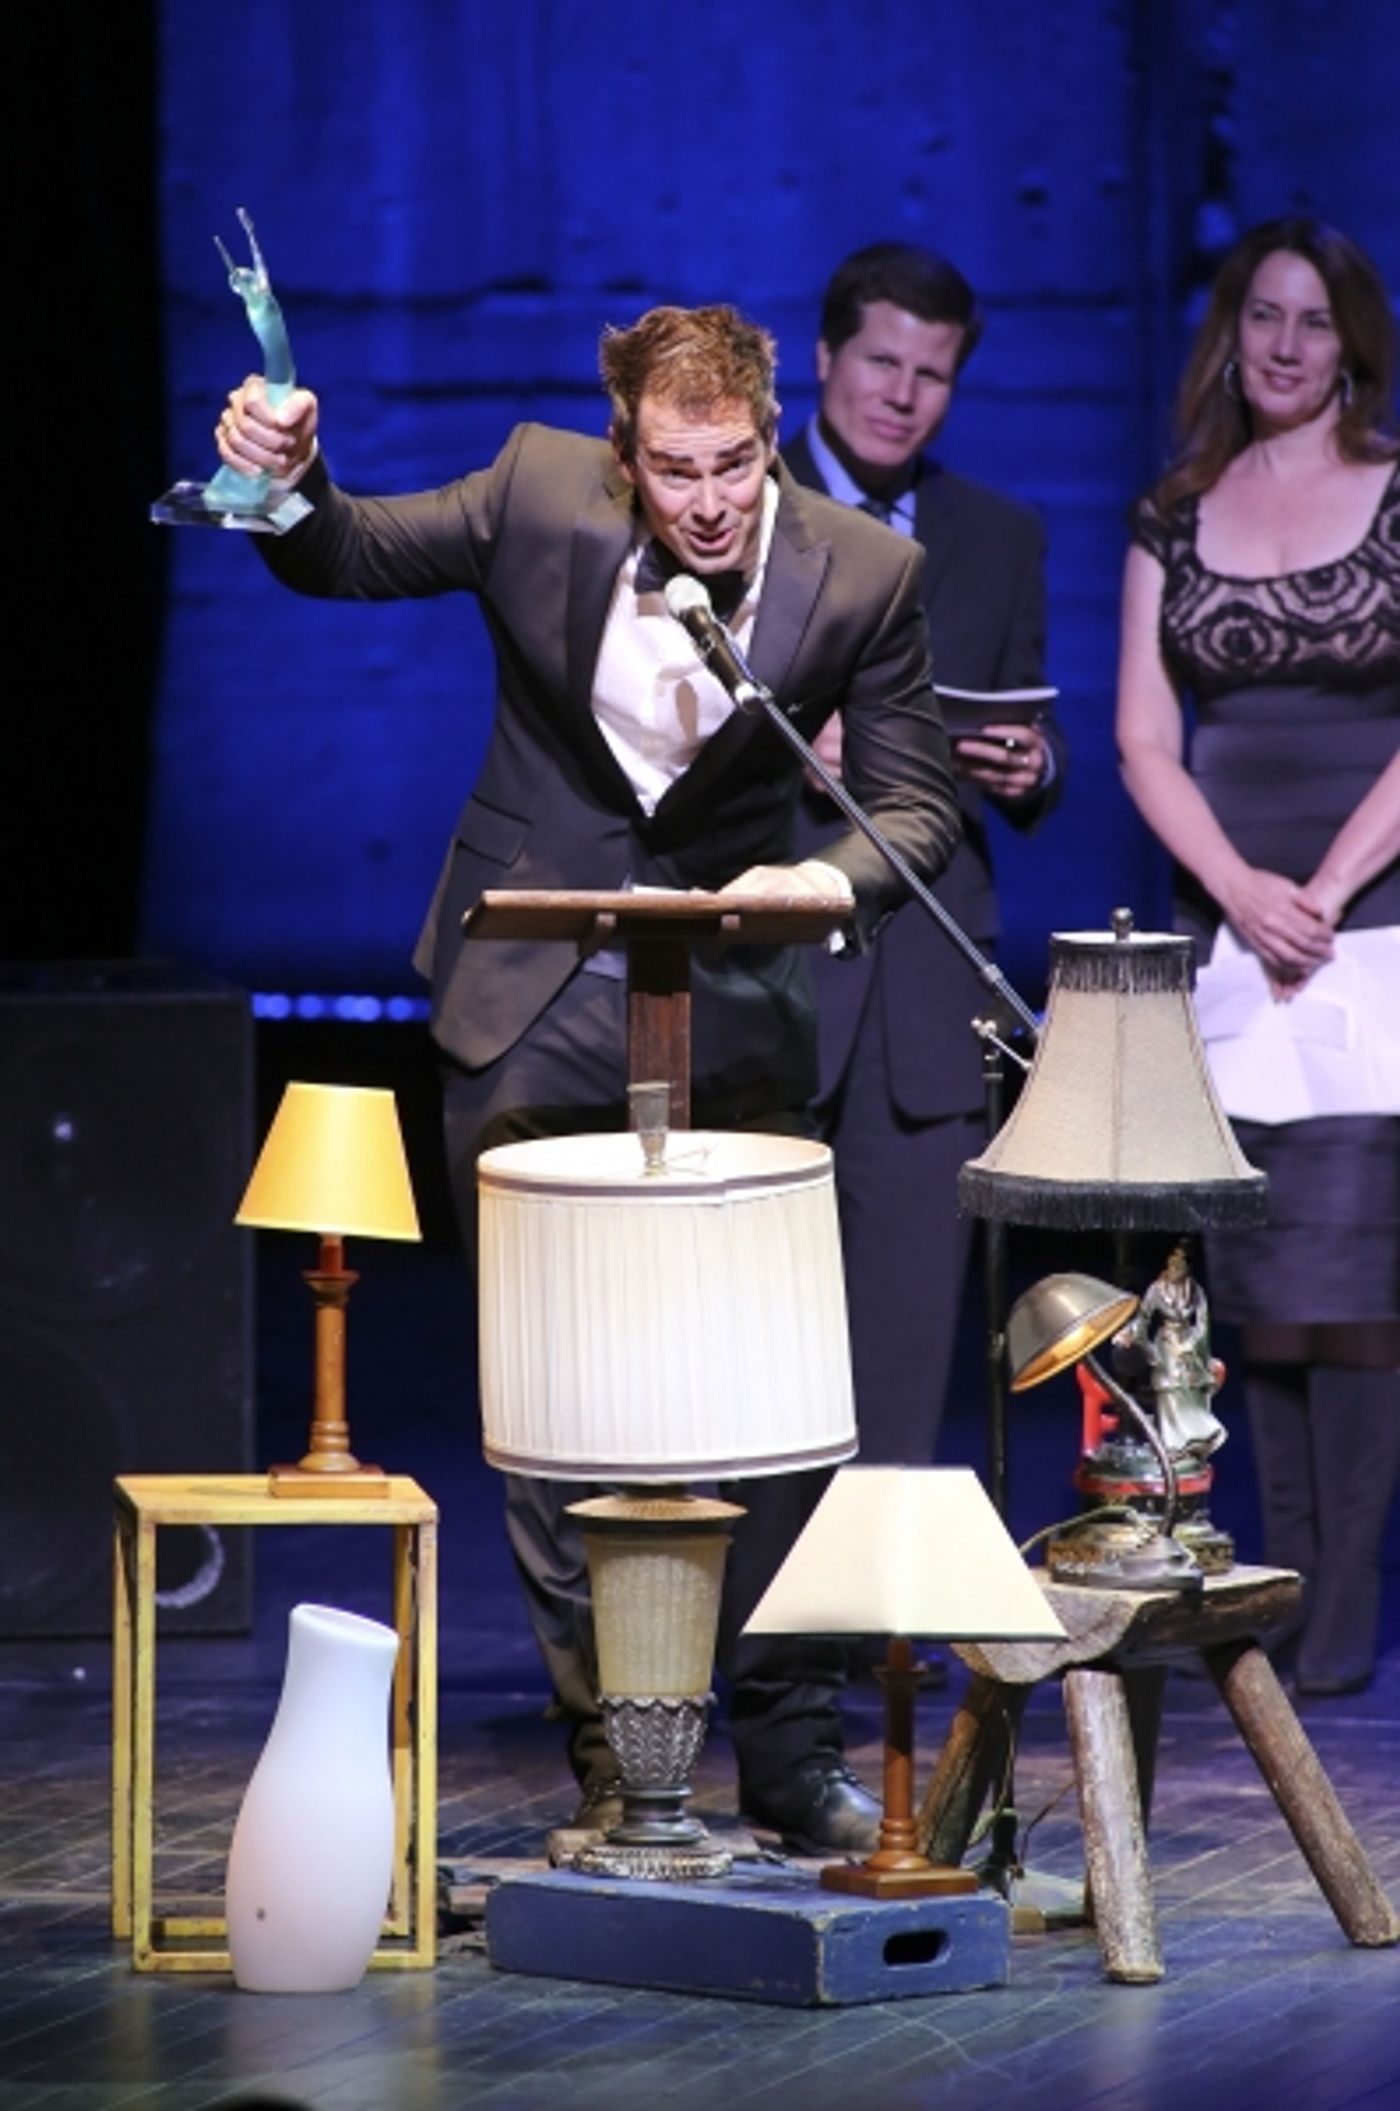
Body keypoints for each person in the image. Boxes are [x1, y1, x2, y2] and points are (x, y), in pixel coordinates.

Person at [214, 302, 962, 1847]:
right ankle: (618, 1752)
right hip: (531, 990)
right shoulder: (534, 490)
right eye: (677, 469)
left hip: (735, 1008)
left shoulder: (864, 571)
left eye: (734, 464)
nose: (709, 499)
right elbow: (347, 550)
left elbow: (913, 802)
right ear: (625, 453)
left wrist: (822, 881)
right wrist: (284, 481)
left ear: (769, 436)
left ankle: (786, 1744)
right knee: (554, 1397)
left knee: (768, 1395)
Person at [1115, 214, 1400, 1696]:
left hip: (1374, 930)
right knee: (1260, 1274)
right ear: (1230, 334)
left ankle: (1344, 1607)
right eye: (1263, 316)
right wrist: (1239, 889)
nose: (1285, 345)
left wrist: (1328, 890)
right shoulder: (1173, 512)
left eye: (1314, 320)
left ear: (1351, 343)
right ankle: (1279, 1587)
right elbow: (1143, 736)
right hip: (1232, 938)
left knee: (1355, 1280)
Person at [784, 242, 1067, 1469]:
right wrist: (781, 755)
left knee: (900, 1371)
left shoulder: (995, 534)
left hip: (924, 996)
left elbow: (1028, 719)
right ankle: (764, 1598)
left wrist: (1031, 765)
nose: (901, 395)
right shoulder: (732, 504)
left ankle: (879, 1592)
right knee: (751, 1353)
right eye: (881, 362)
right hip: (766, 985)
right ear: (824, 357)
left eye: (931, 374)